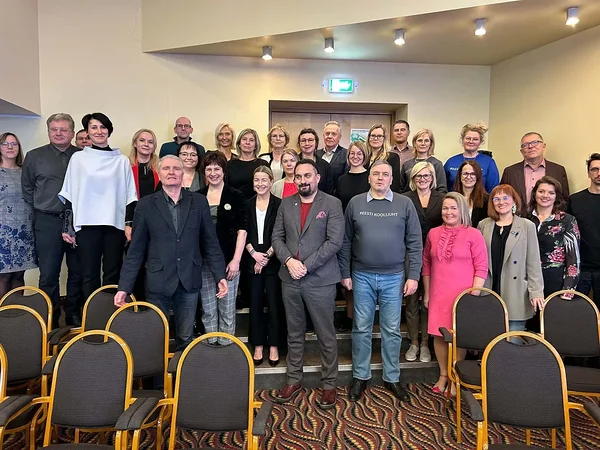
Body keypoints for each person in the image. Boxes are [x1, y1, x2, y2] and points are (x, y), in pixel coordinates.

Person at [114, 155, 227, 350]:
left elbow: (210, 243)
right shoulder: (145, 205)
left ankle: (182, 370)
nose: (171, 172)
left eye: (176, 168)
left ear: (183, 173)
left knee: (186, 338)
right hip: (158, 280)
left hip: (188, 279)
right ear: (159, 174)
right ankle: (159, 372)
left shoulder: (199, 202)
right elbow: (136, 251)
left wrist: (220, 276)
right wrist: (124, 287)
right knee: (156, 338)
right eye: (166, 168)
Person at [339, 160, 422, 402]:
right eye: (376, 174)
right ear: (369, 178)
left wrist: (414, 276)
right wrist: (345, 272)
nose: (380, 178)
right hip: (361, 275)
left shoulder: (404, 204)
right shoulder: (355, 203)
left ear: (391, 179)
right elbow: (345, 241)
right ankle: (360, 376)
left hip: (394, 277)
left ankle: (392, 377)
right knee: (361, 328)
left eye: (385, 174)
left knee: (392, 330)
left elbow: (415, 243)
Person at [272, 159, 344, 409]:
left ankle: (329, 384)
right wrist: (289, 261)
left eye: (307, 176)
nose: (303, 180)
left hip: (320, 280)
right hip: (290, 278)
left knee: (326, 334)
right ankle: (293, 379)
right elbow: (276, 237)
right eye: (299, 176)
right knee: (294, 332)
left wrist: (305, 265)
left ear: (317, 178)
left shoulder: (332, 204)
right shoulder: (286, 203)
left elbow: (334, 242)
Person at [58, 112, 138, 305]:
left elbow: (130, 196)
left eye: (103, 127)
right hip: (87, 224)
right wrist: (67, 226)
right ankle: (92, 316)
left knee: (112, 272)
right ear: (87, 132)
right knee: (88, 274)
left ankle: (109, 314)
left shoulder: (121, 161)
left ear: (109, 130)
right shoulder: (78, 159)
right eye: (94, 127)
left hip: (114, 224)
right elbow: (70, 194)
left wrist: (128, 224)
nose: (99, 131)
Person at [21, 113, 83, 327]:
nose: (58, 133)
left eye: (63, 129)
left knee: (78, 271)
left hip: (79, 222)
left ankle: (73, 314)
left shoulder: (83, 156)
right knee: (48, 274)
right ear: (48, 132)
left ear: (72, 133)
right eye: (54, 129)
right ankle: (51, 318)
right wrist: (45, 205)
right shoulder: (34, 156)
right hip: (47, 221)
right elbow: (27, 188)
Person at [423, 192, 488, 394]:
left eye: (453, 208)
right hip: (438, 293)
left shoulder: (474, 234)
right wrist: (427, 294)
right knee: (439, 335)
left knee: (458, 336)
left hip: (463, 295)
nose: (448, 212)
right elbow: (426, 265)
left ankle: (455, 377)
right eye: (445, 208)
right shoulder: (433, 233)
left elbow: (482, 267)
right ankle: (443, 375)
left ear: (462, 210)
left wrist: (473, 296)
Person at [478, 185, 544, 331]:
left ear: (514, 201)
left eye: (505, 198)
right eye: (496, 199)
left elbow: (533, 262)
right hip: (489, 288)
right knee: (489, 336)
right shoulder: (483, 225)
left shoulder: (527, 226)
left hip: (516, 290)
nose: (501, 202)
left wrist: (536, 292)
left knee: (513, 338)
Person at [199, 151, 247, 345]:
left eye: (217, 169)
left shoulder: (235, 196)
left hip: (229, 261)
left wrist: (236, 260)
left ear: (224, 171)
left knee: (227, 308)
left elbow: (242, 231)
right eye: (209, 169)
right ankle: (211, 345)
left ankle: (227, 347)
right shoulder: (197, 197)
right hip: (203, 262)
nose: (213, 173)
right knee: (208, 308)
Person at [402, 161, 444, 363]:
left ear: (432, 178)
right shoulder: (404, 199)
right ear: (413, 179)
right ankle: (413, 342)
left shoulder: (442, 198)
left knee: (429, 301)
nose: (422, 179)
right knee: (411, 302)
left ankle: (426, 343)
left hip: (435, 256)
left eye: (426, 175)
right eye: (418, 176)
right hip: (410, 255)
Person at [527, 176, 580, 332]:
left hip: (554, 282)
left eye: (551, 192)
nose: (545, 196)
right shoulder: (524, 218)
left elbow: (573, 259)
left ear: (556, 196)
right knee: (528, 330)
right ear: (534, 193)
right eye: (541, 191)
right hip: (527, 282)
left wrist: (567, 292)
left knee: (552, 330)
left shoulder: (567, 220)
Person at [245, 167, 283, 367]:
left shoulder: (280, 204)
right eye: (256, 180)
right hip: (252, 259)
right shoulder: (246, 204)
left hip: (274, 260)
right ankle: (258, 345)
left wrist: (266, 256)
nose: (260, 184)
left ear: (271, 181)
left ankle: (274, 345)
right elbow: (242, 232)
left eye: (263, 180)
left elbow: (282, 233)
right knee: (255, 303)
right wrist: (255, 255)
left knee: (275, 304)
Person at [124, 129, 161, 302]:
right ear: (135, 143)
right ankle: (136, 304)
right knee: (135, 265)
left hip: (155, 223)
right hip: (133, 223)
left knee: (152, 264)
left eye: (150, 141)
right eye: (142, 140)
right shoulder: (126, 167)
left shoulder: (159, 168)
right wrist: (128, 223)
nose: (146, 144)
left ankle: (151, 305)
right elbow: (123, 198)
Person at [0, 133, 36, 299]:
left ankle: (17, 312)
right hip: (3, 233)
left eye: (14, 144)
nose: (10, 147)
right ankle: (3, 314)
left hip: (24, 231)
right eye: (5, 144)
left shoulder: (25, 172)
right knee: (4, 276)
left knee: (19, 275)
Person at [567, 153, 600, 308]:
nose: (599, 173)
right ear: (588, 173)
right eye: (595, 169)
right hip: (581, 268)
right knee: (577, 311)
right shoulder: (575, 200)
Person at [501, 132, 569, 205]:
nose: (530, 146)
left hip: (550, 212)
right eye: (525, 145)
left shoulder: (558, 170)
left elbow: (564, 200)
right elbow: (502, 197)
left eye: (535, 142)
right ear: (521, 151)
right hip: (518, 212)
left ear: (543, 146)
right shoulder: (510, 172)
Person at [444, 123, 499, 193]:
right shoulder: (451, 162)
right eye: (468, 138)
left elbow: (493, 190)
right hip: (455, 199)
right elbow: (444, 187)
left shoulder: (489, 162)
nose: (471, 141)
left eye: (475, 139)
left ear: (480, 142)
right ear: (462, 140)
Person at [225, 128, 269, 201]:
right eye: (244, 139)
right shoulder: (230, 164)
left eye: (251, 140)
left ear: (256, 145)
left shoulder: (263, 164)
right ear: (239, 144)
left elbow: (267, 187)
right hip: (235, 203)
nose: (247, 142)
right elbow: (226, 188)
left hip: (257, 203)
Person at [398, 128, 447, 193]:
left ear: (430, 144)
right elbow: (401, 189)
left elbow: (442, 189)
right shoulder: (406, 165)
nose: (423, 143)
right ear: (415, 143)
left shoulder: (437, 164)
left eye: (426, 141)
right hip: (408, 198)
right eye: (420, 140)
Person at [297, 128, 333, 195]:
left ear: (316, 143)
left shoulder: (325, 165)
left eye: (310, 140)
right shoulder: (293, 162)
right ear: (299, 144)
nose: (307, 143)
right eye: (303, 141)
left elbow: (329, 191)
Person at [366, 124, 401, 193]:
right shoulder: (364, 157)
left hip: (384, 195)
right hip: (365, 195)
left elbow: (395, 184)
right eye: (373, 136)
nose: (375, 138)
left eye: (379, 136)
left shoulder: (392, 157)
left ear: (384, 139)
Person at [453, 161, 489, 228]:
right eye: (465, 174)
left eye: (473, 174)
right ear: (460, 176)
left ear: (478, 176)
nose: (469, 177)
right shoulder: (452, 198)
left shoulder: (487, 200)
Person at [316, 121, 348, 194]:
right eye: (327, 133)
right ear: (323, 136)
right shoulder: (316, 154)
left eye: (334, 134)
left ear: (339, 137)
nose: (329, 136)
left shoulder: (346, 154)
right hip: (317, 195)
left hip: (337, 196)